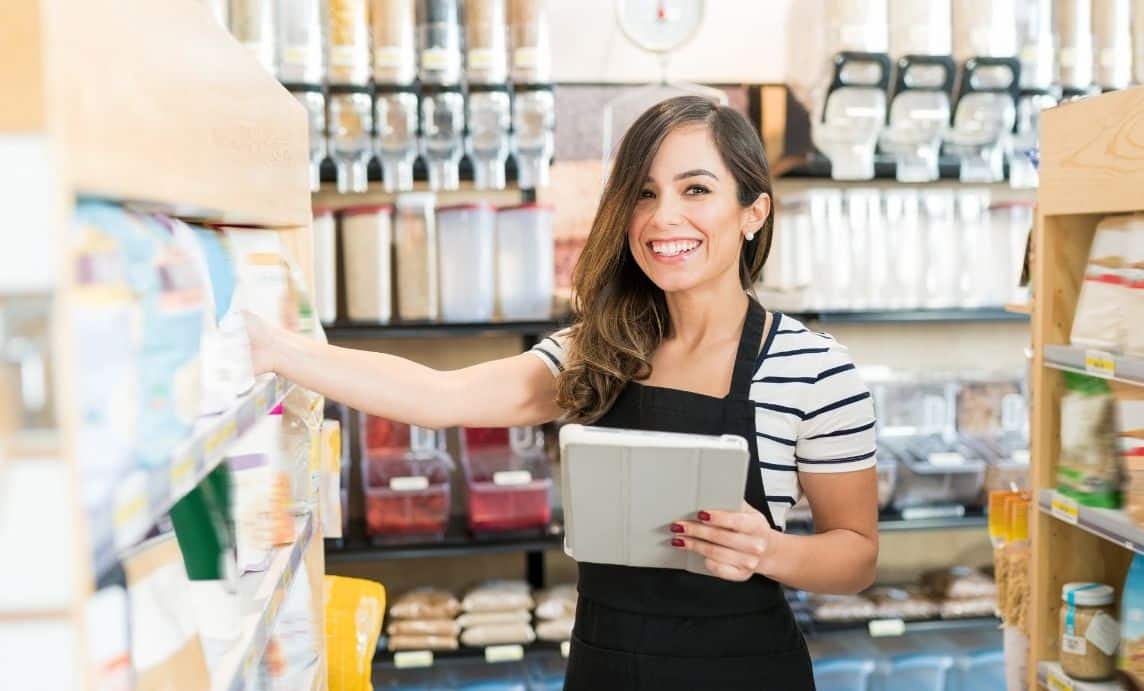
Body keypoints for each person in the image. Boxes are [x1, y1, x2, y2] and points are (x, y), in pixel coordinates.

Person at [247, 95, 878, 690]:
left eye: (696, 190)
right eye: (644, 193)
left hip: (745, 671)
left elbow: (854, 556)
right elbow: (438, 397)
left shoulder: (813, 369)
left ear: (753, 212)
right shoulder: (598, 351)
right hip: (606, 668)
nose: (663, 217)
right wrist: (279, 350)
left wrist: (770, 550)